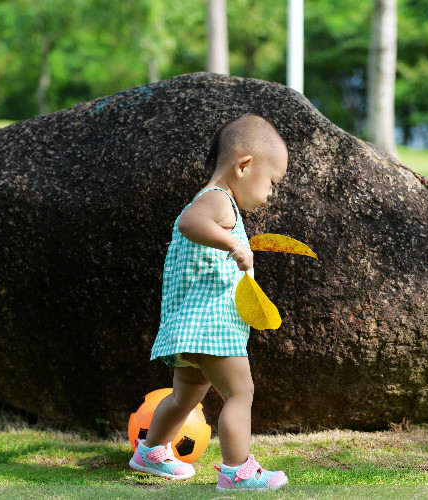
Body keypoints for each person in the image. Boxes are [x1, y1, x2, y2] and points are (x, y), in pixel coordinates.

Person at [129, 114, 290, 492]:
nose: (270, 194)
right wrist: (235, 244)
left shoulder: (220, 204)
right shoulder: (218, 202)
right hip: (210, 328)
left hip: (189, 328)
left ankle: (150, 452)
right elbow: (189, 222)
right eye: (271, 182)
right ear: (244, 165)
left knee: (185, 396)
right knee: (240, 392)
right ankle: (236, 472)